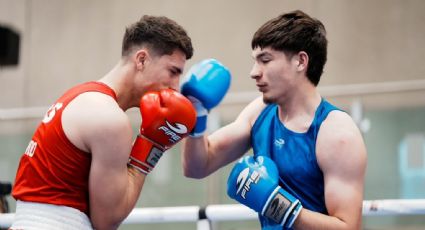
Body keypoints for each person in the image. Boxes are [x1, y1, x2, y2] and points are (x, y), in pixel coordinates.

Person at [181, 10, 367, 229]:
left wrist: (277, 205)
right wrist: (196, 115)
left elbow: (348, 226)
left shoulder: (336, 132)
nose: (254, 72)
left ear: (300, 61)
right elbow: (197, 167)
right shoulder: (260, 112)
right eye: (255, 61)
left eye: (265, 60)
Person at [11, 15, 196, 230]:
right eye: (173, 72)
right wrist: (150, 148)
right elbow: (107, 220)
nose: (176, 86)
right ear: (141, 60)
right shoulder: (109, 119)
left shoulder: (80, 96)